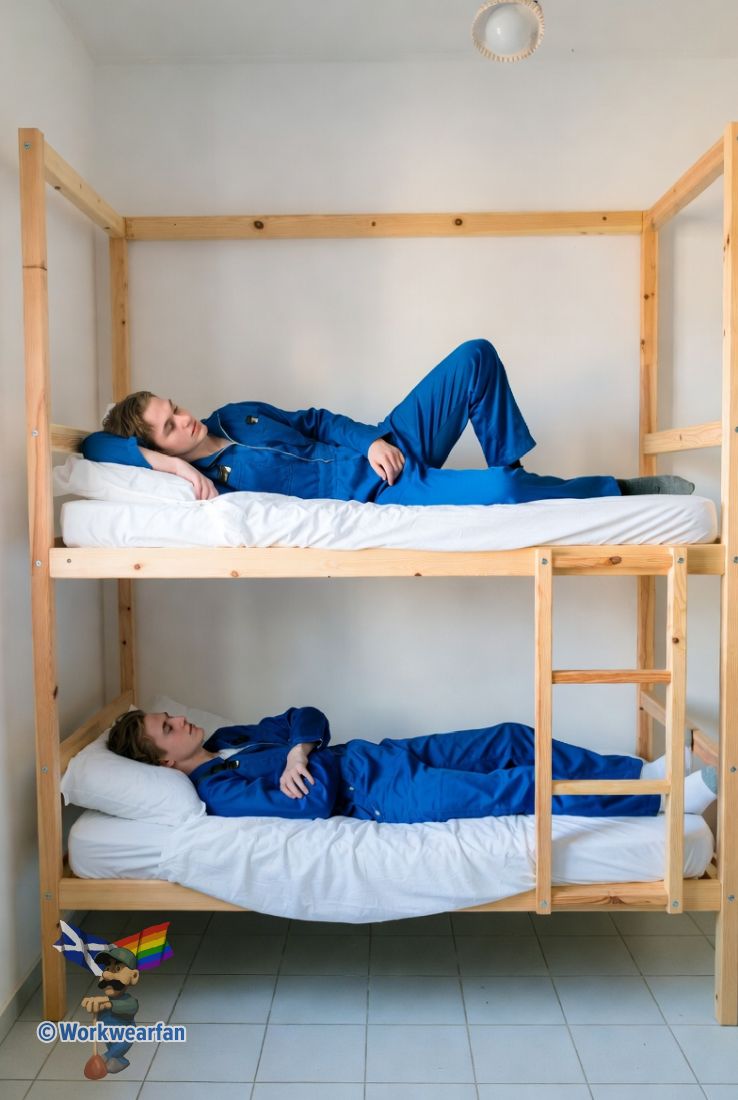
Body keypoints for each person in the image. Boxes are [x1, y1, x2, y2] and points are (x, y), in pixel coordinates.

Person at [82, 339, 693, 506]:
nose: (183, 419)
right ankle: (617, 490)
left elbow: (317, 420)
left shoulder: (235, 415)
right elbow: (96, 444)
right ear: (156, 447)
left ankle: (514, 476)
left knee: (475, 356)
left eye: (174, 407)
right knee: (504, 492)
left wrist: (374, 438)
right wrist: (170, 468)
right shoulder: (216, 485)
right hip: (379, 492)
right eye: (168, 427)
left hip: (390, 443)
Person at [106, 705, 717, 824]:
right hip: (381, 796)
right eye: (167, 729)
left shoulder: (227, 740)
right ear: (164, 762)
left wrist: (298, 748)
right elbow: (313, 803)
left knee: (512, 737)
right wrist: (308, 755)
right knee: (520, 785)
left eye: (169, 715)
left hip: (383, 754)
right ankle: (661, 801)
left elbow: (306, 715)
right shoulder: (220, 790)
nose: (179, 720)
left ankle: (638, 773)